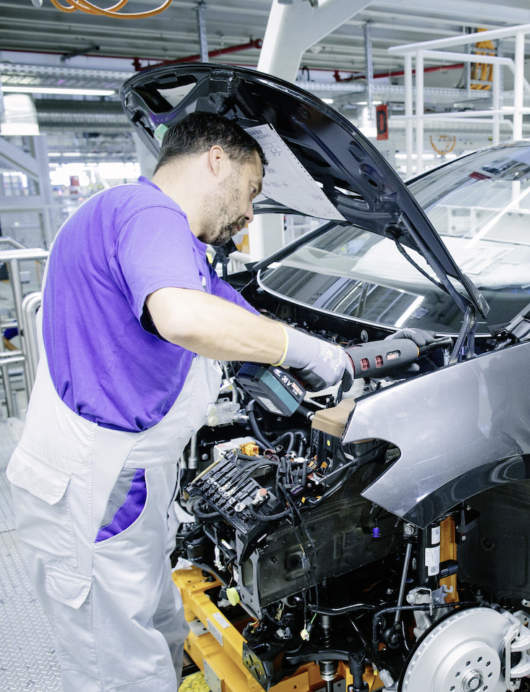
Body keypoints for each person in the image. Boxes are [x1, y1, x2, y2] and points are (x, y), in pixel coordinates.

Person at [5, 112, 356, 692]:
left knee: (161, 628)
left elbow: (243, 327)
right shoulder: (144, 212)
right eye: (252, 189)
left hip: (128, 482)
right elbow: (185, 319)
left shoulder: (174, 247)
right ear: (217, 160)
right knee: (118, 670)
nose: (250, 214)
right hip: (95, 488)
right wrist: (307, 349)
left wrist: (325, 379)